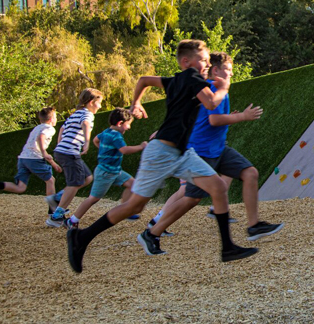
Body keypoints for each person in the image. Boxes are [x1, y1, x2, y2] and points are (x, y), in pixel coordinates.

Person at [66, 39, 257, 274]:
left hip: (181, 152)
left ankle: (228, 248)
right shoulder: (192, 77)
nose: (207, 64)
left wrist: (136, 102)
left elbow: (143, 80)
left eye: (208, 60)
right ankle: (81, 237)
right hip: (162, 152)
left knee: (217, 187)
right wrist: (224, 88)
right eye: (204, 60)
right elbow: (210, 103)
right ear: (187, 62)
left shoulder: (177, 80)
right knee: (134, 205)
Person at [144, 52, 282, 247]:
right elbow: (214, 119)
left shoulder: (216, 90)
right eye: (228, 70)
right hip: (201, 153)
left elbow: (209, 120)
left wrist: (231, 116)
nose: (231, 74)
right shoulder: (212, 89)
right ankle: (153, 232)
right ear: (215, 70)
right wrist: (242, 116)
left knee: (250, 173)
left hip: (218, 149)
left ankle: (254, 226)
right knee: (191, 198)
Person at [67, 108, 147, 228]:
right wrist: (141, 146)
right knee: (93, 199)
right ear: (120, 123)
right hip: (105, 172)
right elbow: (124, 150)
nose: (129, 128)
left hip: (115, 170)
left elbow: (95, 140)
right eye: (128, 124)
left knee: (132, 184)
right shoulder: (116, 136)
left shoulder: (106, 132)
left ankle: (126, 210)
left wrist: (104, 150)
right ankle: (72, 220)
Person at [0, 107, 63, 204]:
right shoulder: (50, 128)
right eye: (55, 117)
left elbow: (35, 144)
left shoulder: (37, 128)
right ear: (51, 119)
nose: (56, 119)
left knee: (20, 188)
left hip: (23, 159)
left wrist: (53, 163)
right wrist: (45, 153)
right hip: (33, 159)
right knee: (50, 180)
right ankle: (53, 210)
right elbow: (41, 137)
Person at [46, 89, 102, 227]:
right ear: (91, 102)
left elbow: (61, 129)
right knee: (75, 183)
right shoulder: (88, 114)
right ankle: (56, 216)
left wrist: (60, 144)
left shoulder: (74, 114)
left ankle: (58, 197)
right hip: (70, 152)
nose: (100, 106)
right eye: (99, 103)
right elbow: (86, 125)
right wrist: (87, 143)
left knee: (87, 178)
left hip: (62, 151)